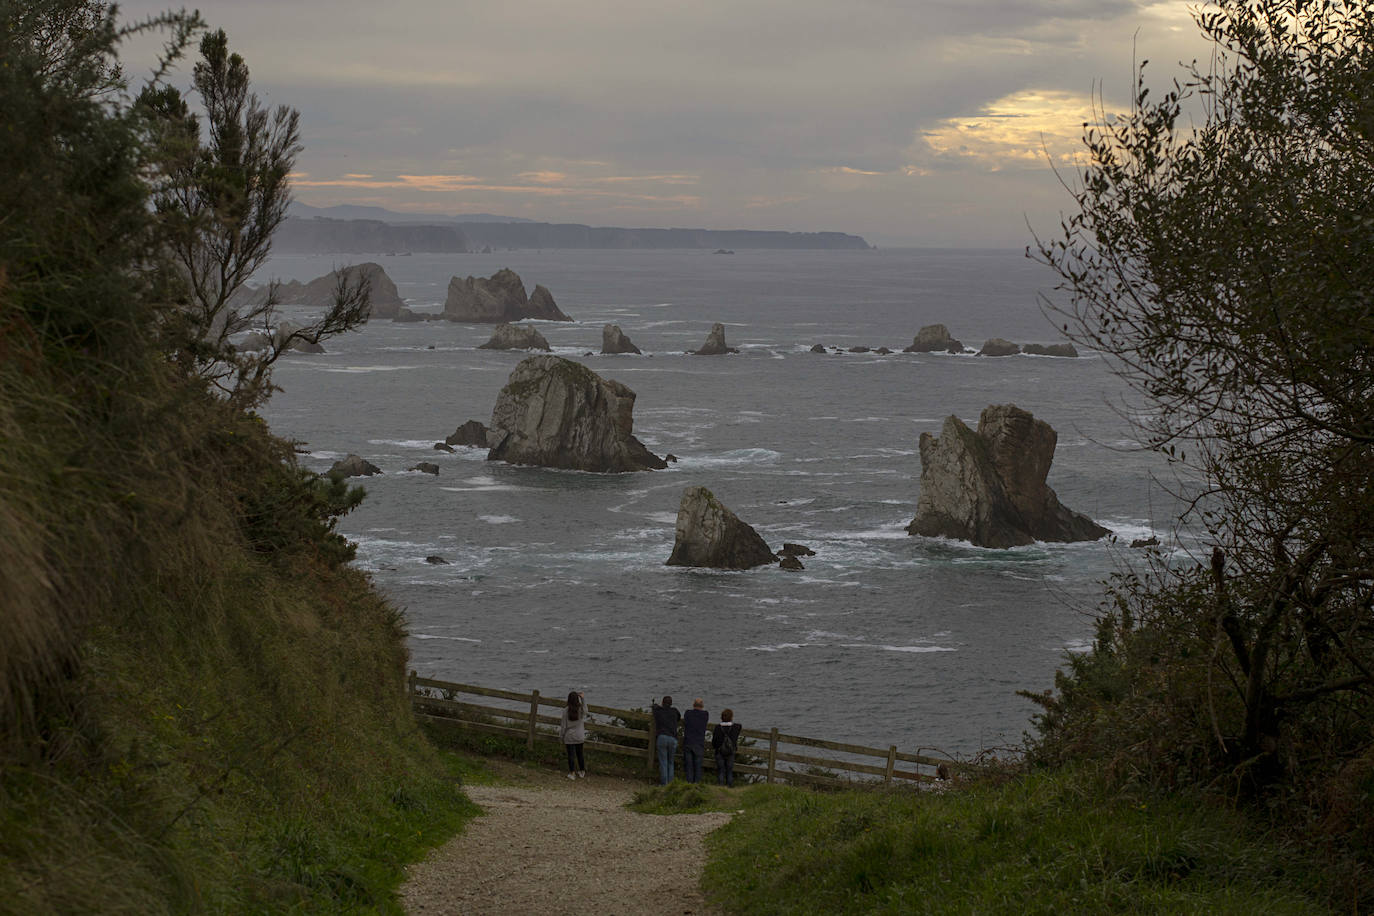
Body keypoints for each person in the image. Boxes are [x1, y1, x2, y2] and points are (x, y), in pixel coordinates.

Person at [651, 695, 681, 785]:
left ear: (662, 703)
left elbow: (654, 709)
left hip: (662, 737)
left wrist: (655, 706)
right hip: (672, 738)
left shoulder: (658, 711)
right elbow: (679, 717)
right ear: (671, 703)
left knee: (663, 762)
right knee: (671, 763)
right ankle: (671, 785)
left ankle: (664, 784)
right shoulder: (674, 711)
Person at [559, 690, 587, 780]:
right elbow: (586, 710)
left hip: (569, 736)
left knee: (571, 755)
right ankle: (582, 771)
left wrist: (561, 737)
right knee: (580, 754)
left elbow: (563, 726)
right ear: (577, 699)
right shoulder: (581, 709)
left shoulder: (565, 711)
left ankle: (572, 773)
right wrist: (583, 699)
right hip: (579, 736)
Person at [681, 698, 709, 784]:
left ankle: (689, 784)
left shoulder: (688, 713)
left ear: (693, 705)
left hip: (688, 742)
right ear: (702, 706)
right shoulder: (705, 714)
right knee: (698, 766)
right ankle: (697, 785)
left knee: (689, 766)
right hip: (699, 743)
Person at [712, 708, 742, 788]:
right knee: (729, 770)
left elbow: (714, 742)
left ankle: (721, 786)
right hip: (730, 751)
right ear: (731, 717)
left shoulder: (717, 728)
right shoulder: (735, 727)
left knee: (721, 770)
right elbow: (740, 726)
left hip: (719, 751)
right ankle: (730, 786)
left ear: (721, 717)